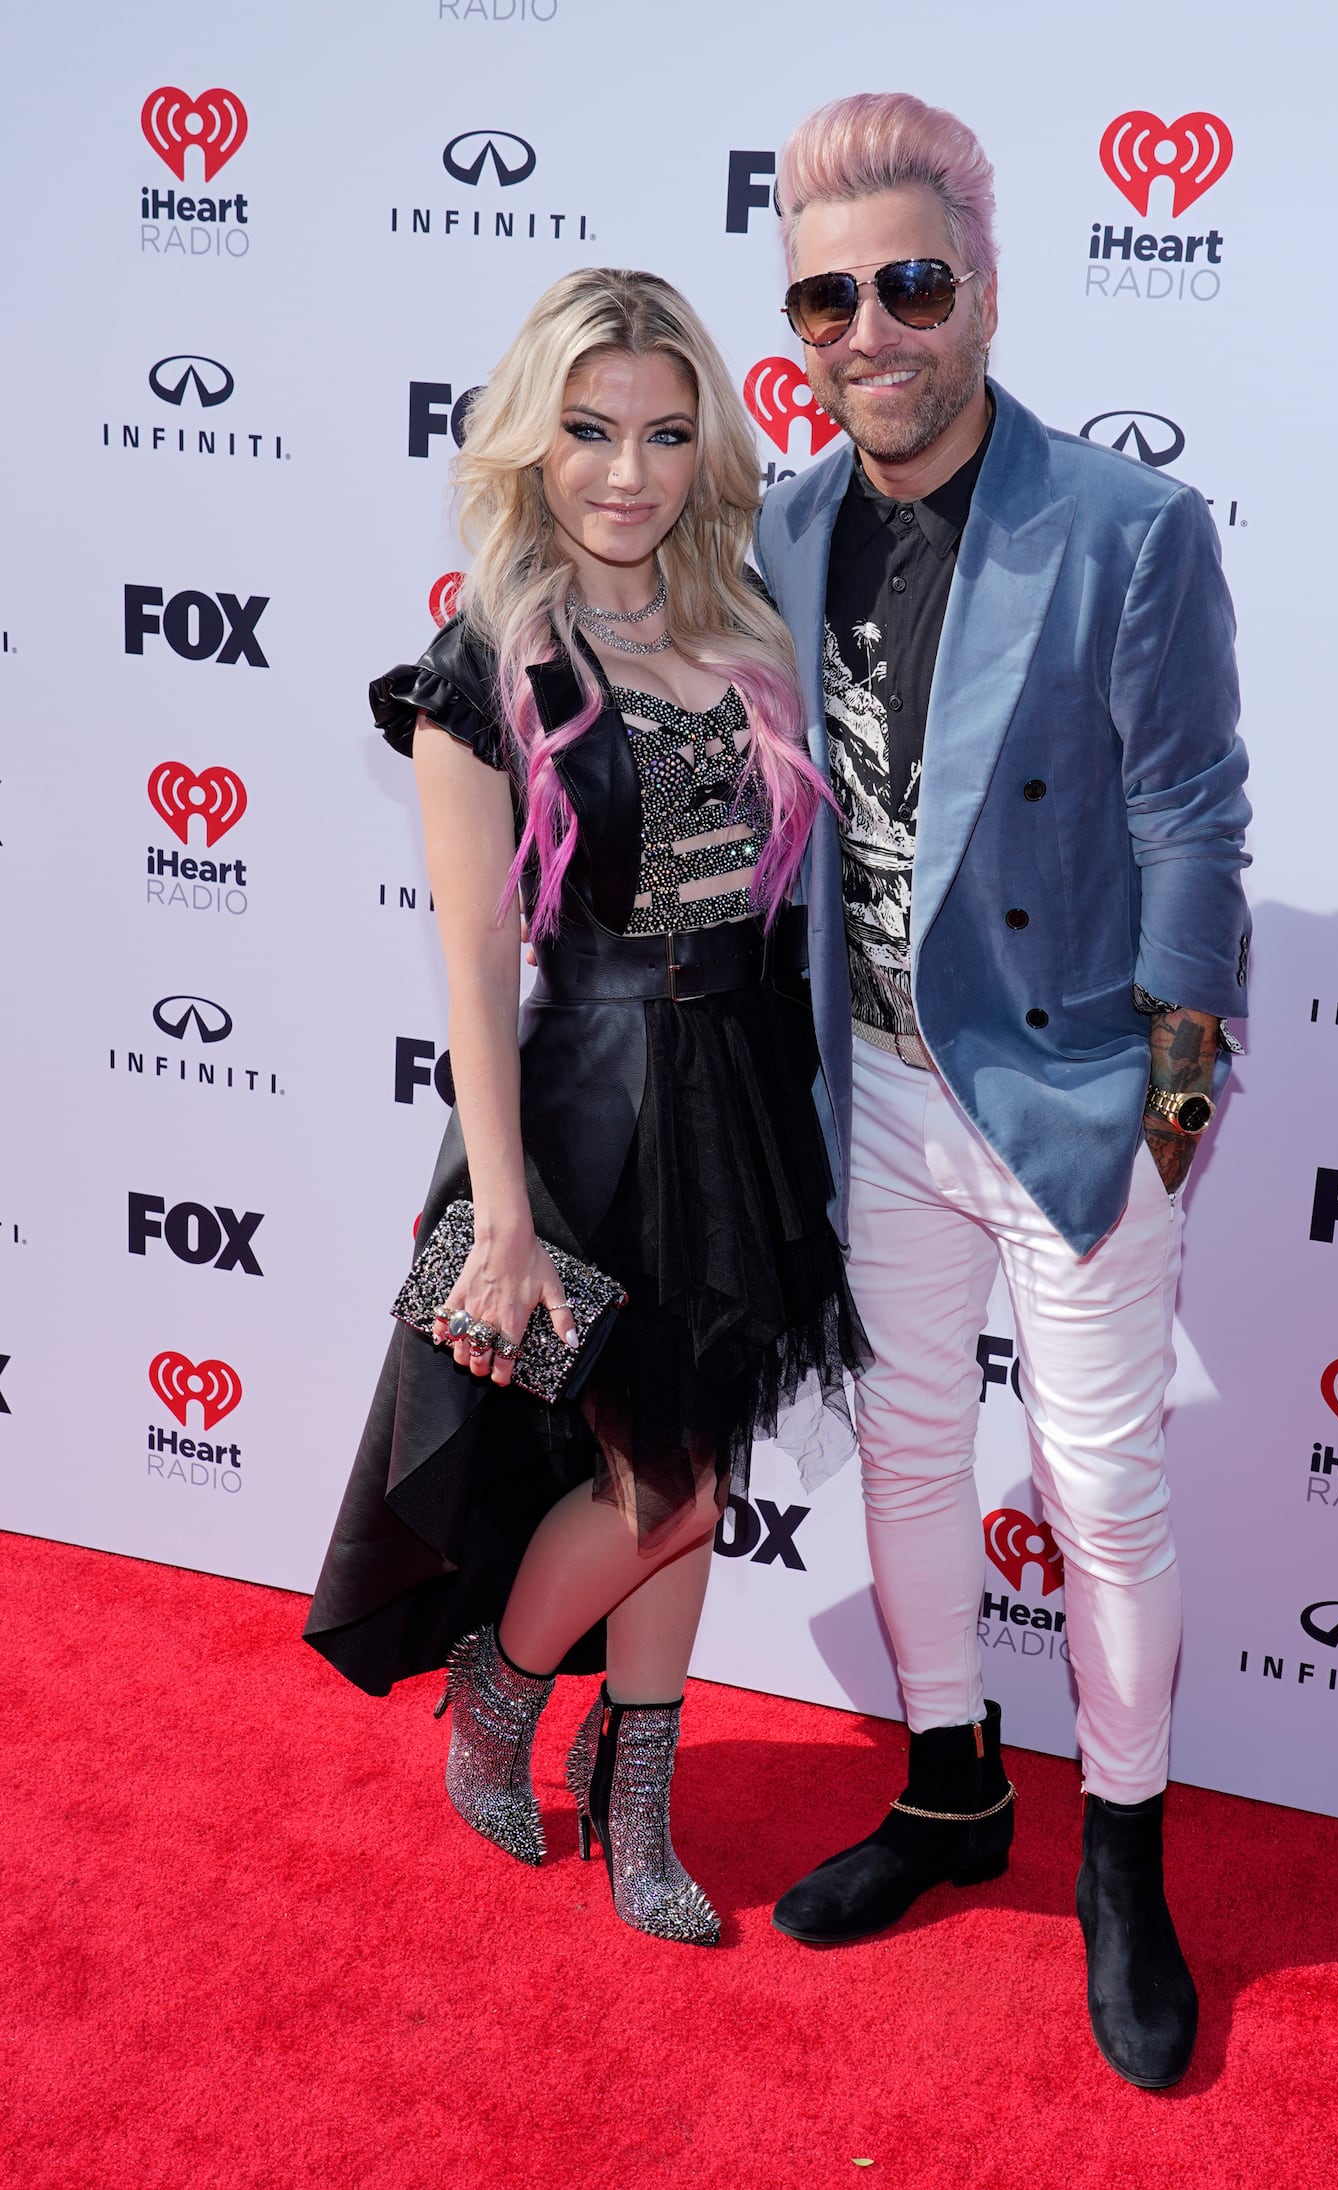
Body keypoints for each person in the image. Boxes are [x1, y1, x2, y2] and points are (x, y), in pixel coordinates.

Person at [754, 94, 1251, 2087]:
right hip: (864, 1072)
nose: (864, 329)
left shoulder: (1121, 527)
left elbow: (1195, 807)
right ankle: (951, 1785)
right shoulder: (784, 523)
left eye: (906, 284)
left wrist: (1176, 1078)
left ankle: (1121, 1856)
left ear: (979, 288)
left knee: (1103, 1495)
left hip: (1061, 1082)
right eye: (820, 298)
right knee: (897, 1455)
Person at [303, 268, 866, 1948]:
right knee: (665, 1489)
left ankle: (640, 1804)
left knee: (695, 1463)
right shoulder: (485, 667)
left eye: (669, 432)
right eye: (594, 431)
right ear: (532, 443)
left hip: (747, 1097)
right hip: (587, 1111)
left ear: (711, 444)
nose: (631, 471)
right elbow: (478, 973)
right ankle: (499, 1679)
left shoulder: (748, 622)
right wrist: (505, 1215)